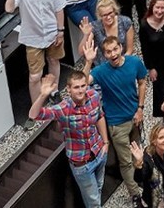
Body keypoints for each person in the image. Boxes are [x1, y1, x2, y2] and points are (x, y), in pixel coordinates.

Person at [81, 29, 148, 205]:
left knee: (138, 154)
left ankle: (140, 178)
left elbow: (142, 82)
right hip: (116, 124)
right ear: (104, 55)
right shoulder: (101, 71)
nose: (113, 54)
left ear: (121, 47)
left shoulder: (134, 63)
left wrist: (141, 108)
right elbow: (82, 82)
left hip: (135, 118)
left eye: (115, 49)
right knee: (126, 162)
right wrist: (88, 61)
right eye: (108, 52)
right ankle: (135, 195)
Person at [28, 69, 108, 208]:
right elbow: (34, 115)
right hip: (82, 164)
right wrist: (42, 95)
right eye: (76, 87)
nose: (80, 90)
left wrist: (106, 143)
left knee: (99, 189)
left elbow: (100, 116)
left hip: (99, 152)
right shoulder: (63, 109)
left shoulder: (93, 96)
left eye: (83, 86)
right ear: (68, 89)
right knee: (93, 202)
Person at [4, 0, 65, 105]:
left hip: (52, 33)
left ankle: (54, 91)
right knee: (35, 76)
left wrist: (60, 31)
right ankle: (38, 104)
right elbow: (9, 8)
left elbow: (59, 8)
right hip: (33, 38)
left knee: (54, 60)